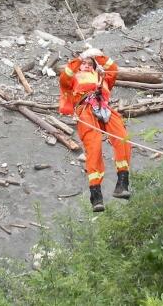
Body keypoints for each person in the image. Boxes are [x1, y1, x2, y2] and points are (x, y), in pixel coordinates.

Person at [59, 48, 131, 211]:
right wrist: (80, 58)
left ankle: (122, 183)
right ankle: (96, 194)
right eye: (84, 62)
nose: (86, 64)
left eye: (89, 62)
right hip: (85, 110)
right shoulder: (74, 75)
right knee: (95, 145)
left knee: (122, 137)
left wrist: (98, 55)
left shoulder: (101, 74)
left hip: (103, 108)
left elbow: (113, 68)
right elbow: (65, 77)